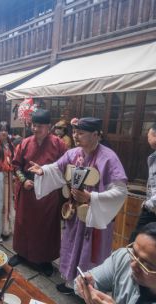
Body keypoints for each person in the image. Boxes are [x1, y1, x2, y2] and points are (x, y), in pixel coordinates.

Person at [31, 117, 127, 293]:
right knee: (71, 246)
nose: (75, 136)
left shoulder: (109, 158)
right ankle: (71, 283)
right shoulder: (73, 153)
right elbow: (57, 169)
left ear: (95, 135)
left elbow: (120, 191)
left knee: (89, 252)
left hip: (94, 216)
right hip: (75, 213)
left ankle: (89, 291)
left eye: (80, 133)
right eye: (74, 132)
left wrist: (91, 198)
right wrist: (43, 171)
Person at [75, 223, 156, 304]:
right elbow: (79, 283)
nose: (132, 265)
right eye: (134, 252)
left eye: (146, 265)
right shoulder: (125, 257)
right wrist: (87, 287)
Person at [8, 109, 67, 276]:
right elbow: (16, 166)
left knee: (46, 227)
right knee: (23, 223)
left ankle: (45, 259)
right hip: (28, 189)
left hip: (48, 193)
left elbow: (65, 167)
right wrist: (23, 180)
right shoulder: (25, 143)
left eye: (40, 126)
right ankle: (21, 253)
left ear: (48, 126)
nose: (35, 129)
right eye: (34, 125)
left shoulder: (59, 144)